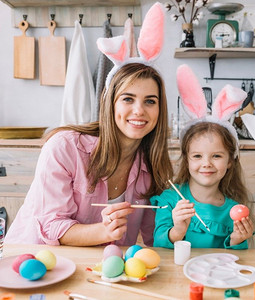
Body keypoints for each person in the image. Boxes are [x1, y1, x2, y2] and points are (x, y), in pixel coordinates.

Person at [5, 3, 173, 247]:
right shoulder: (64, 148)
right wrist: (104, 232)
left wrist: (177, 228)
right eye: (128, 99)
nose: (139, 110)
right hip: (34, 262)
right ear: (109, 103)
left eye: (150, 101)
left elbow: (152, 235)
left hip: (97, 269)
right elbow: (51, 227)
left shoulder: (152, 164)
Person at [150, 64, 254, 249]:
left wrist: (237, 240)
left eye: (216, 156)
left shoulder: (233, 210)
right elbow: (159, 242)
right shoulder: (170, 200)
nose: (206, 164)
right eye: (197, 156)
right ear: (187, 159)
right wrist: (177, 231)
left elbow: (236, 258)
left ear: (230, 161)